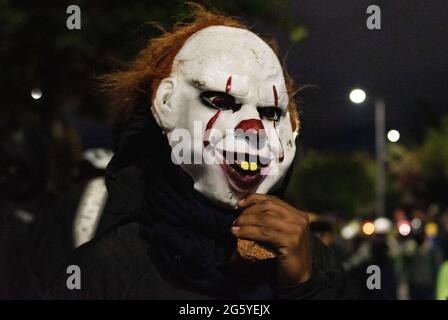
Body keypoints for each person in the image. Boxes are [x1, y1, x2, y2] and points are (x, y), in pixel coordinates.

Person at [45, 6, 345, 299]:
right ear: (166, 103)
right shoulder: (107, 270)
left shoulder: (314, 262)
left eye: (270, 112)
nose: (254, 131)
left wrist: (306, 286)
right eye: (221, 101)